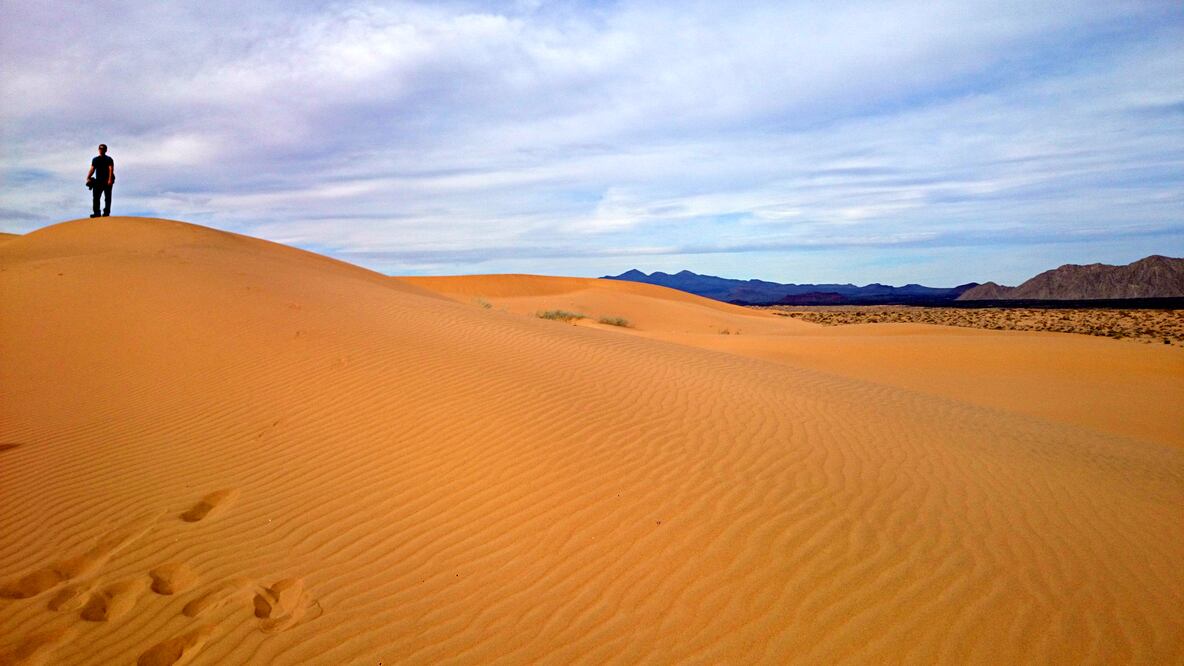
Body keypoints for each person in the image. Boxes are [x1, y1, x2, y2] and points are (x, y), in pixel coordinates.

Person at [87, 144, 115, 217]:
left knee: (107, 197)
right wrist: (88, 177)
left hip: (107, 181)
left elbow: (111, 169)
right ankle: (97, 213)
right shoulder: (95, 159)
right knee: (96, 197)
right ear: (98, 149)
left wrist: (110, 179)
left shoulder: (109, 159)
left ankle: (106, 213)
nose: (101, 150)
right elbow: (92, 169)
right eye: (100, 149)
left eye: (103, 149)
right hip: (98, 181)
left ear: (106, 150)